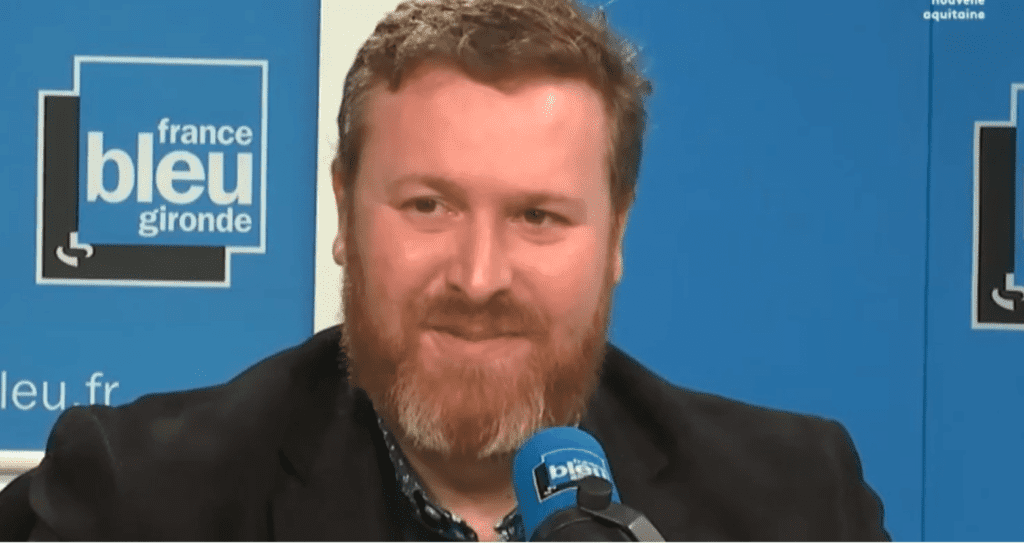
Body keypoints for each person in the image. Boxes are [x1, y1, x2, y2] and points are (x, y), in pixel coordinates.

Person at [0, 0, 890, 540]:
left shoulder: (798, 503)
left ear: (616, 232)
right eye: (429, 205)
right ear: (345, 210)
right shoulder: (139, 498)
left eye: (538, 216)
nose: (479, 276)